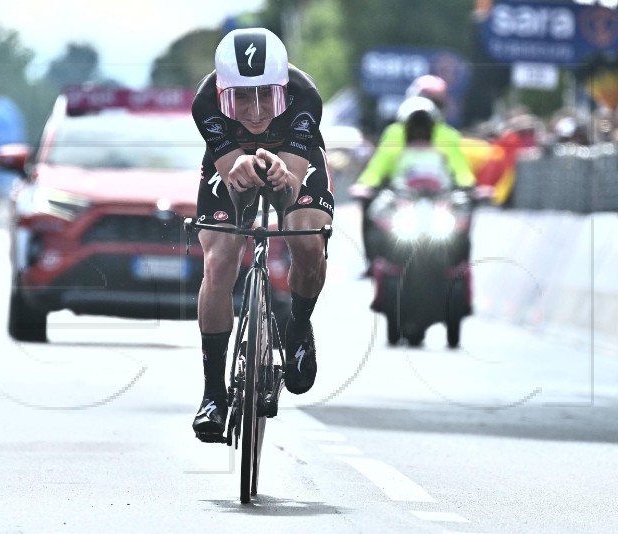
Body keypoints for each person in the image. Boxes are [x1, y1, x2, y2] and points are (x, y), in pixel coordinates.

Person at [190, 28, 334, 442]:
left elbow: (288, 186)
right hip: (232, 162)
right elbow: (232, 171)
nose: (254, 111)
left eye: (266, 95)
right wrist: (240, 166)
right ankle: (213, 393)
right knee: (218, 261)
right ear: (221, 94)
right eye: (240, 98)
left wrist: (277, 170)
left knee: (306, 241)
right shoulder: (204, 103)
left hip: (292, 157)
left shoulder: (306, 96)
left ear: (284, 89)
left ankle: (298, 326)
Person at [352, 75, 475, 274]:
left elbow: (461, 169)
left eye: (434, 103)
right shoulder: (394, 132)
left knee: (465, 208)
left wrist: (468, 187)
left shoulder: (448, 135)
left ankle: (458, 260)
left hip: (439, 194)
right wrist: (366, 185)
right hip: (401, 193)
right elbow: (378, 164)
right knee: (371, 205)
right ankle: (373, 259)